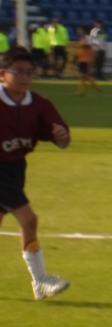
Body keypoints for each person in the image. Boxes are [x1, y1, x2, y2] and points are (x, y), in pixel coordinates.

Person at [0, 47, 71, 300]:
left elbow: (59, 132)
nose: (25, 77)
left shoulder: (39, 103)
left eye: (30, 72)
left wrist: (60, 136)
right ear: (2, 74)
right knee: (29, 219)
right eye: (18, 71)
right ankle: (40, 280)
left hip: (15, 168)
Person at [74, 25, 101, 95]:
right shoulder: (82, 38)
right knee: (83, 76)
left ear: (84, 31)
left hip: (86, 60)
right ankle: (83, 91)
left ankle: (96, 88)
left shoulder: (87, 38)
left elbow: (89, 46)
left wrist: (82, 46)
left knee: (84, 75)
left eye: (80, 30)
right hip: (81, 59)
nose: (78, 31)